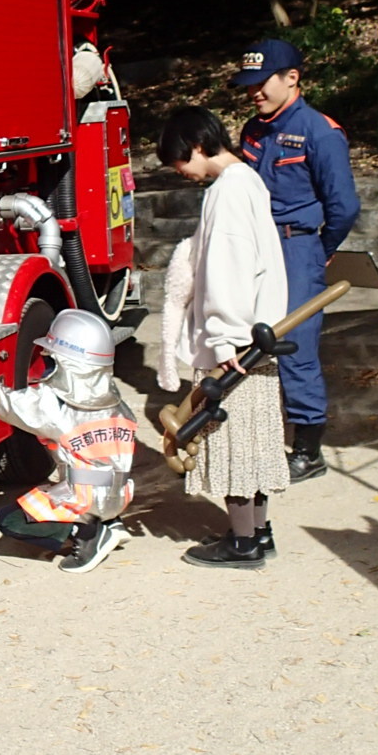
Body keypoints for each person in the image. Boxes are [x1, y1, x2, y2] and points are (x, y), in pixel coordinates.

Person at [157, 107, 291, 569]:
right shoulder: (250, 181)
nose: (181, 172)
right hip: (259, 334)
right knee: (253, 440)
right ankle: (257, 530)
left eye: (180, 160)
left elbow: (226, 274)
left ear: (197, 144)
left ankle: (242, 543)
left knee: (234, 442)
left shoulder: (226, 192)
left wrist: (223, 339)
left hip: (237, 341)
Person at [229, 39, 359, 482]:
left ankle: (308, 450)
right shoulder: (253, 130)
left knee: (296, 347)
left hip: (296, 247)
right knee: (248, 341)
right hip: (252, 247)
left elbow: (344, 207)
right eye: (248, 87)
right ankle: (255, 433)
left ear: (292, 78)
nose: (254, 94)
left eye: (261, 84)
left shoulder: (320, 132)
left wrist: (317, 253)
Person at [0, 309, 136, 573]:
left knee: (9, 520)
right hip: (120, 493)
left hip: (85, 498)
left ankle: (88, 534)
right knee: (80, 481)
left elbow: (8, 404)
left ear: (68, 364)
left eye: (52, 359)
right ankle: (110, 522)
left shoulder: (54, 406)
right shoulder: (117, 402)